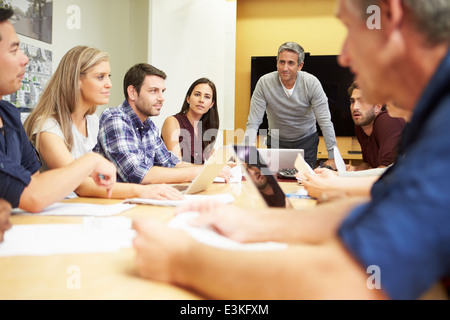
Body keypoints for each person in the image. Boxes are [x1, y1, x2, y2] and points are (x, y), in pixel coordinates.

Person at [132, 0, 450, 300]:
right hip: (279, 138)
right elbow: (380, 205)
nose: (344, 57)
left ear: (390, 17)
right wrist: (252, 223)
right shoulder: (434, 112)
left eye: (350, 30)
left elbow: (346, 283)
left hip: (307, 138)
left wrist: (181, 259)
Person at [23, 46, 182, 201]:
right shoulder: (48, 126)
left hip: (89, 205)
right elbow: (81, 186)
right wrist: (142, 191)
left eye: (109, 76)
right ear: (76, 80)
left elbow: (99, 180)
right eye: (100, 77)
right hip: (57, 211)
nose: (109, 84)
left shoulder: (93, 122)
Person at [0, 7, 116, 213]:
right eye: (14, 50)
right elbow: (33, 194)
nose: (25, 59)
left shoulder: (9, 114)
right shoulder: (47, 126)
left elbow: (34, 182)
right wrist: (92, 161)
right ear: (76, 80)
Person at [95, 63, 230, 184]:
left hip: (139, 201)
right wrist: (199, 172)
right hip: (116, 205)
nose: (161, 98)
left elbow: (170, 163)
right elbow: (136, 173)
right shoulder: (115, 118)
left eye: (162, 91)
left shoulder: (149, 127)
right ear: (132, 92)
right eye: (154, 91)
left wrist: (210, 170)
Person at [243, 41, 337, 169]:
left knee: (304, 181)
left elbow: (325, 122)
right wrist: (245, 153)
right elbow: (253, 122)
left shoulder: (311, 83)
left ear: (300, 65)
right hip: (276, 140)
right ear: (277, 62)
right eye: (282, 62)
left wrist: (333, 157)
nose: (285, 68)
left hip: (306, 141)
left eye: (291, 63)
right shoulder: (264, 83)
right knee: (275, 181)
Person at [347, 81, 405, 171]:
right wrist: (353, 169)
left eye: (362, 101)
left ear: (378, 106)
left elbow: (385, 172)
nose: (355, 107)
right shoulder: (360, 126)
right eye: (352, 101)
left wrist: (339, 178)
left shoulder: (387, 120)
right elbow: (368, 165)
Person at [161, 78, 219, 164]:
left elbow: (215, 159)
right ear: (188, 99)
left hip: (196, 177)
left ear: (211, 104)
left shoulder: (203, 128)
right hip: (176, 177)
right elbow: (176, 164)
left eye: (207, 97)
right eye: (197, 94)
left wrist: (232, 161)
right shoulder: (172, 122)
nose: (201, 100)